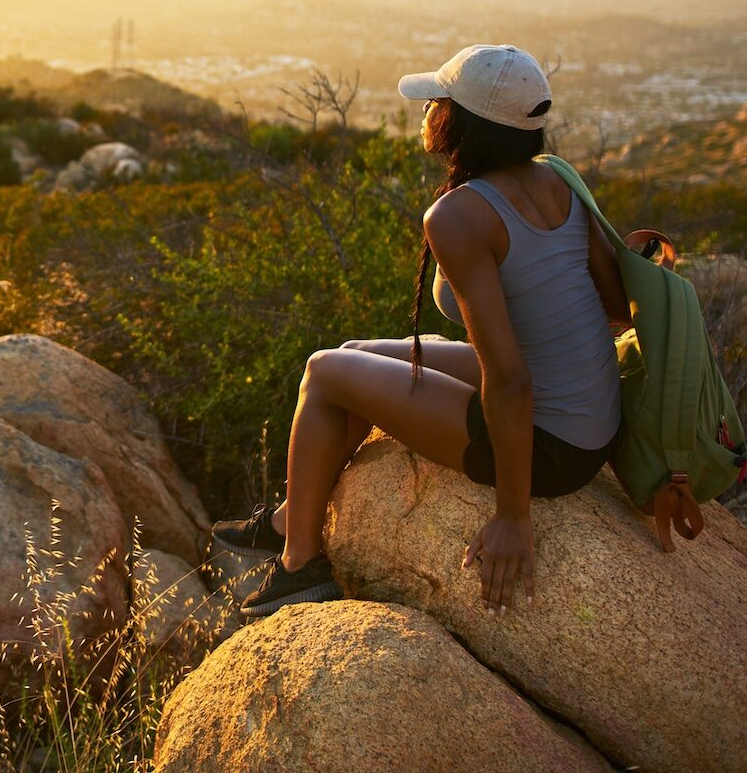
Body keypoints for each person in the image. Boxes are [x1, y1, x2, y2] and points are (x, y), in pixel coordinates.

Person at [212, 43, 630, 618]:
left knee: (323, 370)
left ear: (464, 122)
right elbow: (617, 306)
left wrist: (514, 516)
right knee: (356, 354)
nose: (429, 110)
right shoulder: (559, 181)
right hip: (590, 420)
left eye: (438, 100)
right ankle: (291, 517)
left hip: (551, 445)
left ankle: (299, 568)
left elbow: (508, 382)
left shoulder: (459, 215)